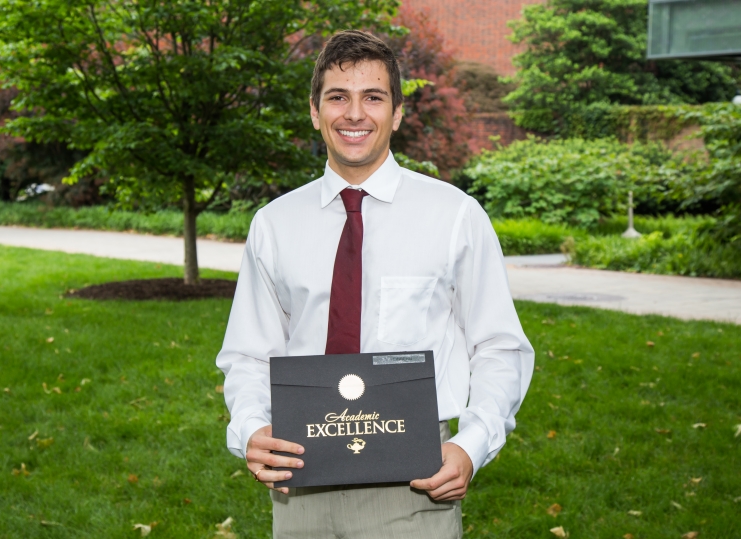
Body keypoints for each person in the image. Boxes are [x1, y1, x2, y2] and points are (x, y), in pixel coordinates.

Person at [216, 30, 534, 539]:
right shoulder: (274, 224)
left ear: (398, 113)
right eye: (338, 97)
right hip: (302, 477)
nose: (355, 114)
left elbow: (499, 346)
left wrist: (472, 444)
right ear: (315, 112)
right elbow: (249, 355)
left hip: (412, 484)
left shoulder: (454, 216)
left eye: (373, 97)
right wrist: (252, 428)